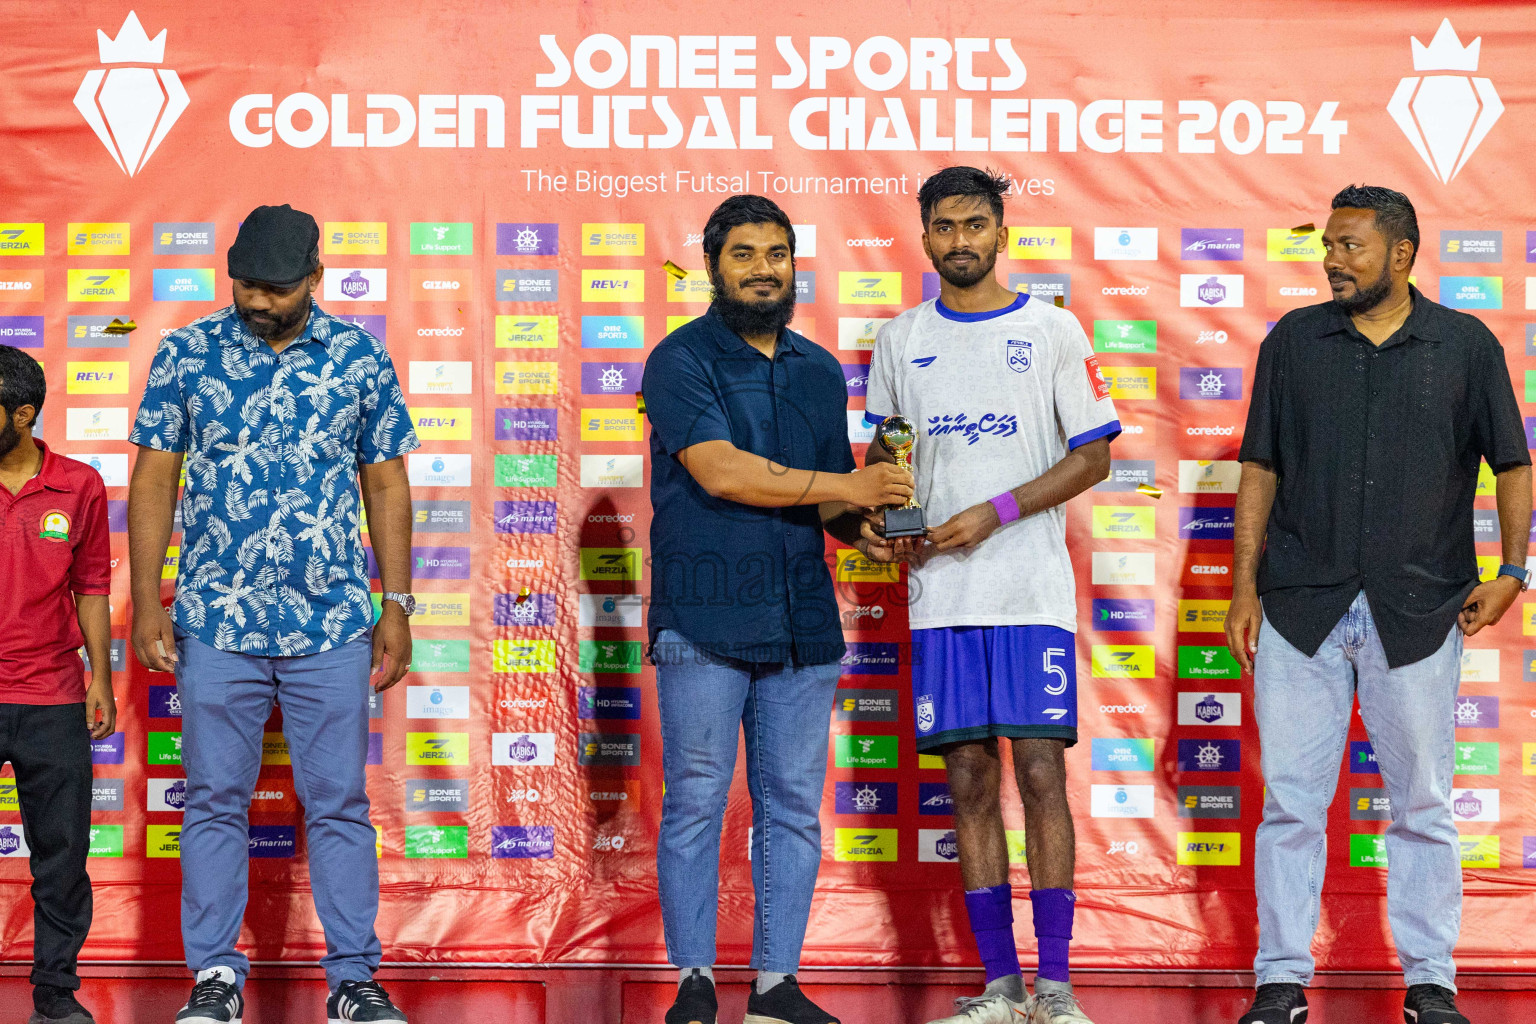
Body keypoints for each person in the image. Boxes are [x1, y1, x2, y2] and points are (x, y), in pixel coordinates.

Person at [1226, 185, 1530, 1024]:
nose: (1332, 260)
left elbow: (1511, 463)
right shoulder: (1293, 340)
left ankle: (1430, 981)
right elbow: (1260, 468)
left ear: (1401, 253)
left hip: (1420, 609)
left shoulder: (1464, 345)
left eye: (1351, 246)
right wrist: (1243, 585)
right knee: (1290, 802)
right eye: (1329, 245)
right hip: (1298, 607)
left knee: (1425, 805)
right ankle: (1279, 980)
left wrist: (1514, 569)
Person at [127, 205, 419, 1024]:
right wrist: (148, 595)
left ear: (315, 279)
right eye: (246, 285)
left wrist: (394, 605)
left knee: (339, 804)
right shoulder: (186, 350)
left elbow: (387, 483)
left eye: (277, 288)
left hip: (331, 621)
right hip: (216, 618)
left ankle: (354, 980)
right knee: (215, 798)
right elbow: (154, 478)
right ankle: (214, 977)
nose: (258, 301)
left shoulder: (359, 356)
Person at [644, 194, 913, 1024]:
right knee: (695, 797)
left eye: (777, 254)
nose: (764, 269)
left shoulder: (820, 369)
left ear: (794, 264)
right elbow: (722, 471)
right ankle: (693, 979)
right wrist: (850, 487)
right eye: (744, 255)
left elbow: (830, 492)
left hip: (802, 618)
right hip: (704, 614)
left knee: (793, 805)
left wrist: (861, 528)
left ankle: (774, 985)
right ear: (714, 265)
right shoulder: (678, 358)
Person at [861, 166, 1119, 1024]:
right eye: (945, 226)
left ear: (1002, 235)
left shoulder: (1052, 330)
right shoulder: (899, 338)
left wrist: (994, 513)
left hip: (1028, 591)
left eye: (977, 224)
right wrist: (879, 519)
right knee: (968, 782)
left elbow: (1094, 457)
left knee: (1041, 774)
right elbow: (889, 465)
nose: (961, 239)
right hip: (939, 596)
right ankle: (1001, 989)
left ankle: (1057, 989)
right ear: (926, 235)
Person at [0, 347, 114, 1024]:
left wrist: (101, 675)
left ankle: (54, 992)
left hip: (53, 695)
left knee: (63, 858)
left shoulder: (79, 484)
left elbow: (92, 586)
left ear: (23, 414)